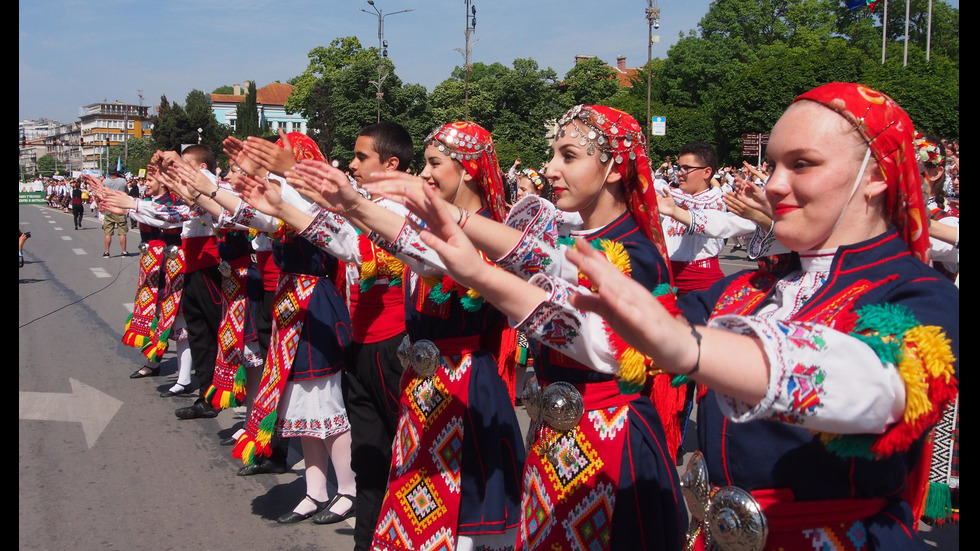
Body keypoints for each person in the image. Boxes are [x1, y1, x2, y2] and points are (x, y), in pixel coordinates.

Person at [554, 82, 958, 550]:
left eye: (801, 164)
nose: (774, 184)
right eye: (772, 166)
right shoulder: (748, 289)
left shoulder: (920, 293)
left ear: (875, 175)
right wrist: (482, 262)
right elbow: (610, 343)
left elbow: (879, 386)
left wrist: (688, 347)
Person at [362, 107, 687, 551]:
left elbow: (583, 331)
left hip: (613, 442)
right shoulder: (573, 239)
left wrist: (472, 259)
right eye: (553, 155)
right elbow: (540, 259)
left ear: (613, 168)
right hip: (555, 439)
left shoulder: (634, 253)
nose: (551, 169)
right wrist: (352, 205)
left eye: (568, 156)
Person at [287, 121, 526, 549]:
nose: (426, 174)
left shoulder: (493, 231)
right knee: (412, 498)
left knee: (463, 514)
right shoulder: (423, 222)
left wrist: (348, 205)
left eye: (435, 164)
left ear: (468, 168)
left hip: (467, 386)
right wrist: (291, 204)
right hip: (422, 382)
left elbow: (426, 258)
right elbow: (366, 242)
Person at [236, 122, 414, 546]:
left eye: (360, 157)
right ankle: (361, 529)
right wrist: (273, 201)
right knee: (369, 451)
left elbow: (347, 236)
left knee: (398, 450)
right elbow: (335, 227)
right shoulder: (366, 203)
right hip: (358, 336)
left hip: (392, 342)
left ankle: (382, 519)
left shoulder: (406, 210)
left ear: (391, 163)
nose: (351, 165)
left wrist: (294, 178)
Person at [194, 132, 358, 525]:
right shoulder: (283, 193)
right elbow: (253, 217)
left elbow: (277, 216)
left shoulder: (308, 197)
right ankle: (315, 490)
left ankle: (348, 487)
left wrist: (221, 192)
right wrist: (204, 191)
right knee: (301, 400)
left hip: (314, 302)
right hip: (291, 302)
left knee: (325, 397)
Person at [101, 169, 131, 257]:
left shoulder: (105, 182)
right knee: (122, 232)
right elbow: (127, 192)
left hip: (109, 208)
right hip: (120, 208)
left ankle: (106, 252)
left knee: (108, 232)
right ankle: (124, 251)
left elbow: (103, 194)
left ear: (109, 173)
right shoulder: (122, 181)